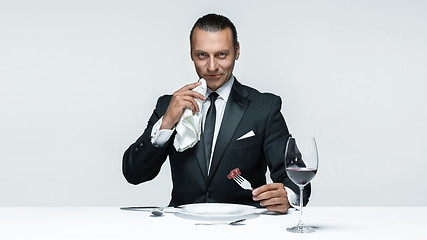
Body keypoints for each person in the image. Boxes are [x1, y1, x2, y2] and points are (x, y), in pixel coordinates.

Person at [122, 13, 310, 213]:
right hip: (181, 228)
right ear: (191, 53)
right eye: (202, 55)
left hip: (244, 227)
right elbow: (134, 174)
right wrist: (167, 122)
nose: (211, 67)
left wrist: (288, 196)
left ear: (237, 51)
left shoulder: (264, 107)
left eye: (222, 54)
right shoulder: (168, 105)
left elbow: (297, 180)